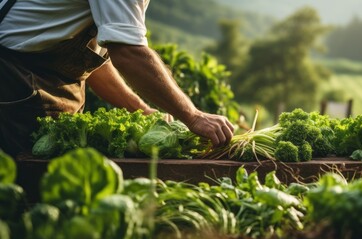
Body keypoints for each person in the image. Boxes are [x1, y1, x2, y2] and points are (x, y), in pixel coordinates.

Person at [0, 0, 234, 157]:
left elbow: (92, 61)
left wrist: (140, 109)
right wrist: (194, 116)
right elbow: (128, 52)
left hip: (30, 82)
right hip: (14, 85)